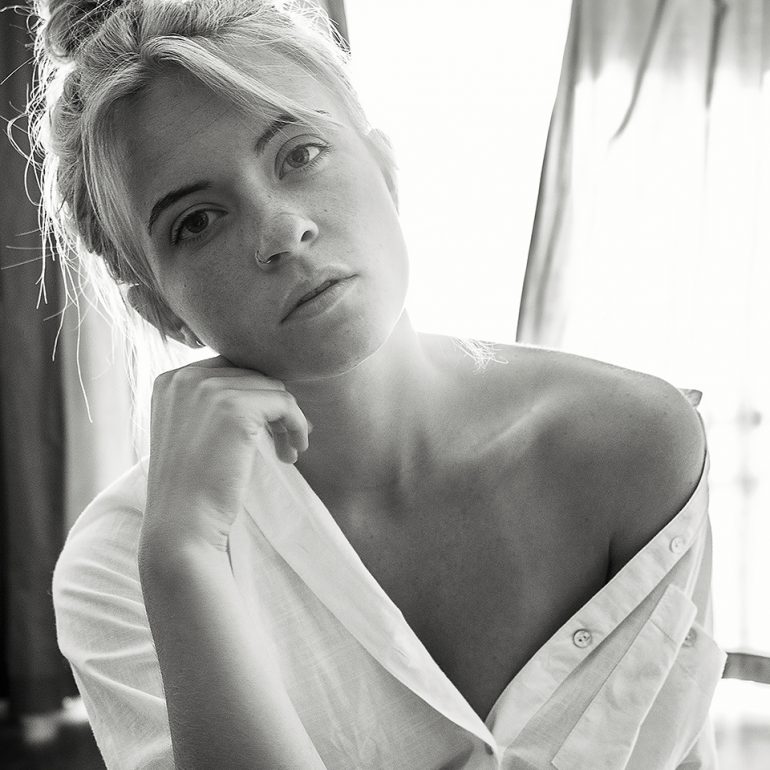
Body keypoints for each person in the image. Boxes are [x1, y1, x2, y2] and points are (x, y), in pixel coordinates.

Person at [30, 0, 726, 767]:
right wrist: (184, 561)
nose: (281, 230)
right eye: (196, 221)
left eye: (300, 153)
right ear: (161, 308)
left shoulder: (636, 446)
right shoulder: (121, 564)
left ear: (386, 171)